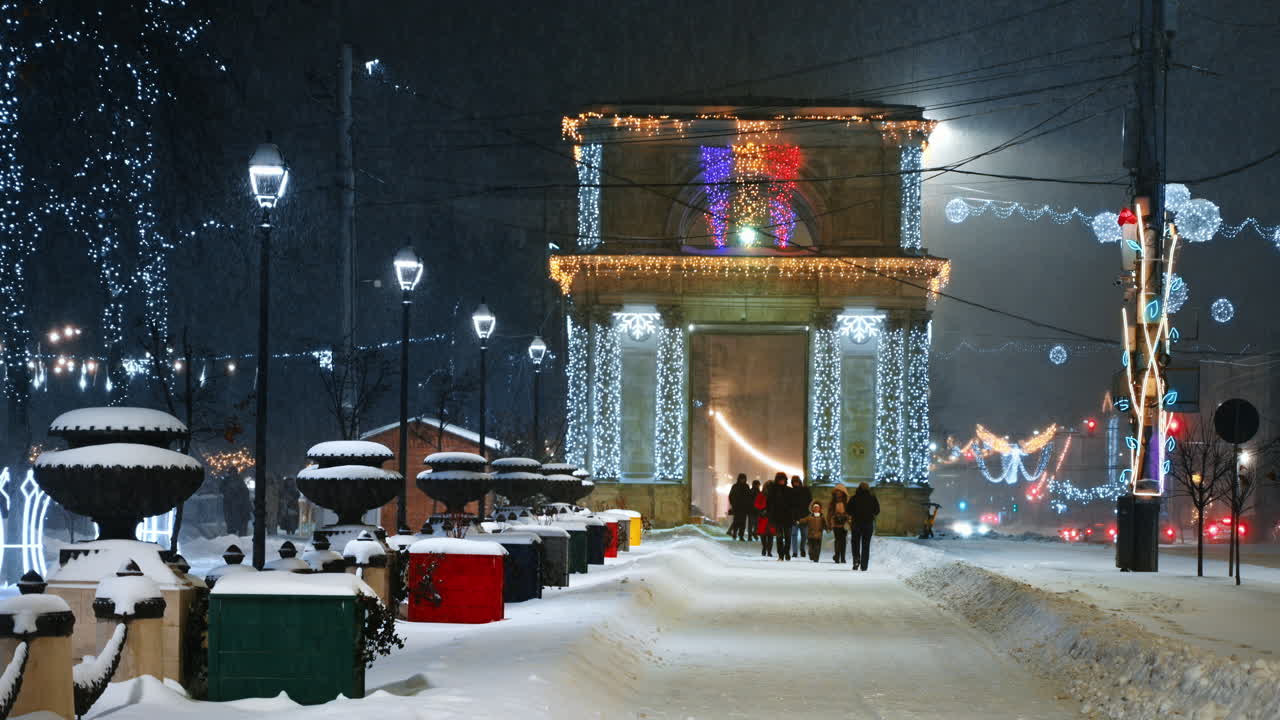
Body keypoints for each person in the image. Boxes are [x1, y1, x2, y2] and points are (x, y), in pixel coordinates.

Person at [849, 482, 880, 571]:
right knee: (866, 545)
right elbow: (877, 511)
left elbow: (848, 510)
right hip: (868, 524)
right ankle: (864, 565)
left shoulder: (854, 498)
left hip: (856, 523)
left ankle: (856, 559)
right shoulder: (872, 498)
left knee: (855, 543)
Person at [766, 472, 794, 560]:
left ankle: (786, 552)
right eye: (780, 480)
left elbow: (793, 504)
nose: (782, 481)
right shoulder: (773, 490)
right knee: (779, 537)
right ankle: (781, 554)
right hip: (777, 517)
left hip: (787, 517)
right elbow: (769, 503)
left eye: (783, 480)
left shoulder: (789, 490)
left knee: (788, 536)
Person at [789, 475, 812, 558]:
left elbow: (810, 501)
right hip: (795, 516)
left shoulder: (805, 490)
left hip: (803, 515)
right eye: (794, 482)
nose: (795, 483)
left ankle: (802, 548)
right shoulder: (791, 492)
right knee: (794, 534)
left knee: (804, 534)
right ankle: (795, 551)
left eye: (796, 482)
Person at [827, 484, 850, 564]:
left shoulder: (846, 502)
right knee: (837, 540)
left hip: (844, 523)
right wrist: (829, 523)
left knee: (843, 540)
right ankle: (837, 556)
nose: (838, 493)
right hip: (835, 523)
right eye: (837, 491)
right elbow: (829, 513)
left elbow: (849, 512)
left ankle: (842, 557)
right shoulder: (832, 502)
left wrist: (846, 517)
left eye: (839, 491)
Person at [727, 473, 752, 541]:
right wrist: (733, 504)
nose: (742, 480)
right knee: (736, 521)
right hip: (737, 507)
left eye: (743, 479)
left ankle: (741, 535)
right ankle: (735, 534)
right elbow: (731, 496)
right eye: (741, 478)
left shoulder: (746, 486)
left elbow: (749, 496)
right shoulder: (735, 486)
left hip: (744, 508)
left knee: (742, 523)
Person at [753, 487, 773, 557]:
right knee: (763, 534)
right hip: (762, 517)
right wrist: (761, 510)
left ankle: (769, 550)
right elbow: (756, 504)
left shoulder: (773, 495)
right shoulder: (760, 495)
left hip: (770, 517)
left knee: (770, 535)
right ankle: (764, 547)